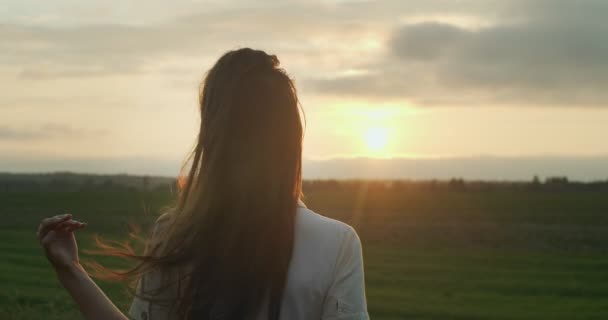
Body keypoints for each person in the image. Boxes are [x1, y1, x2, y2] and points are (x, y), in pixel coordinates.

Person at [37, 48, 369, 320]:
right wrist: (71, 269)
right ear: (292, 138)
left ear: (213, 136)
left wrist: (71, 271)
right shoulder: (336, 243)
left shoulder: (177, 232)